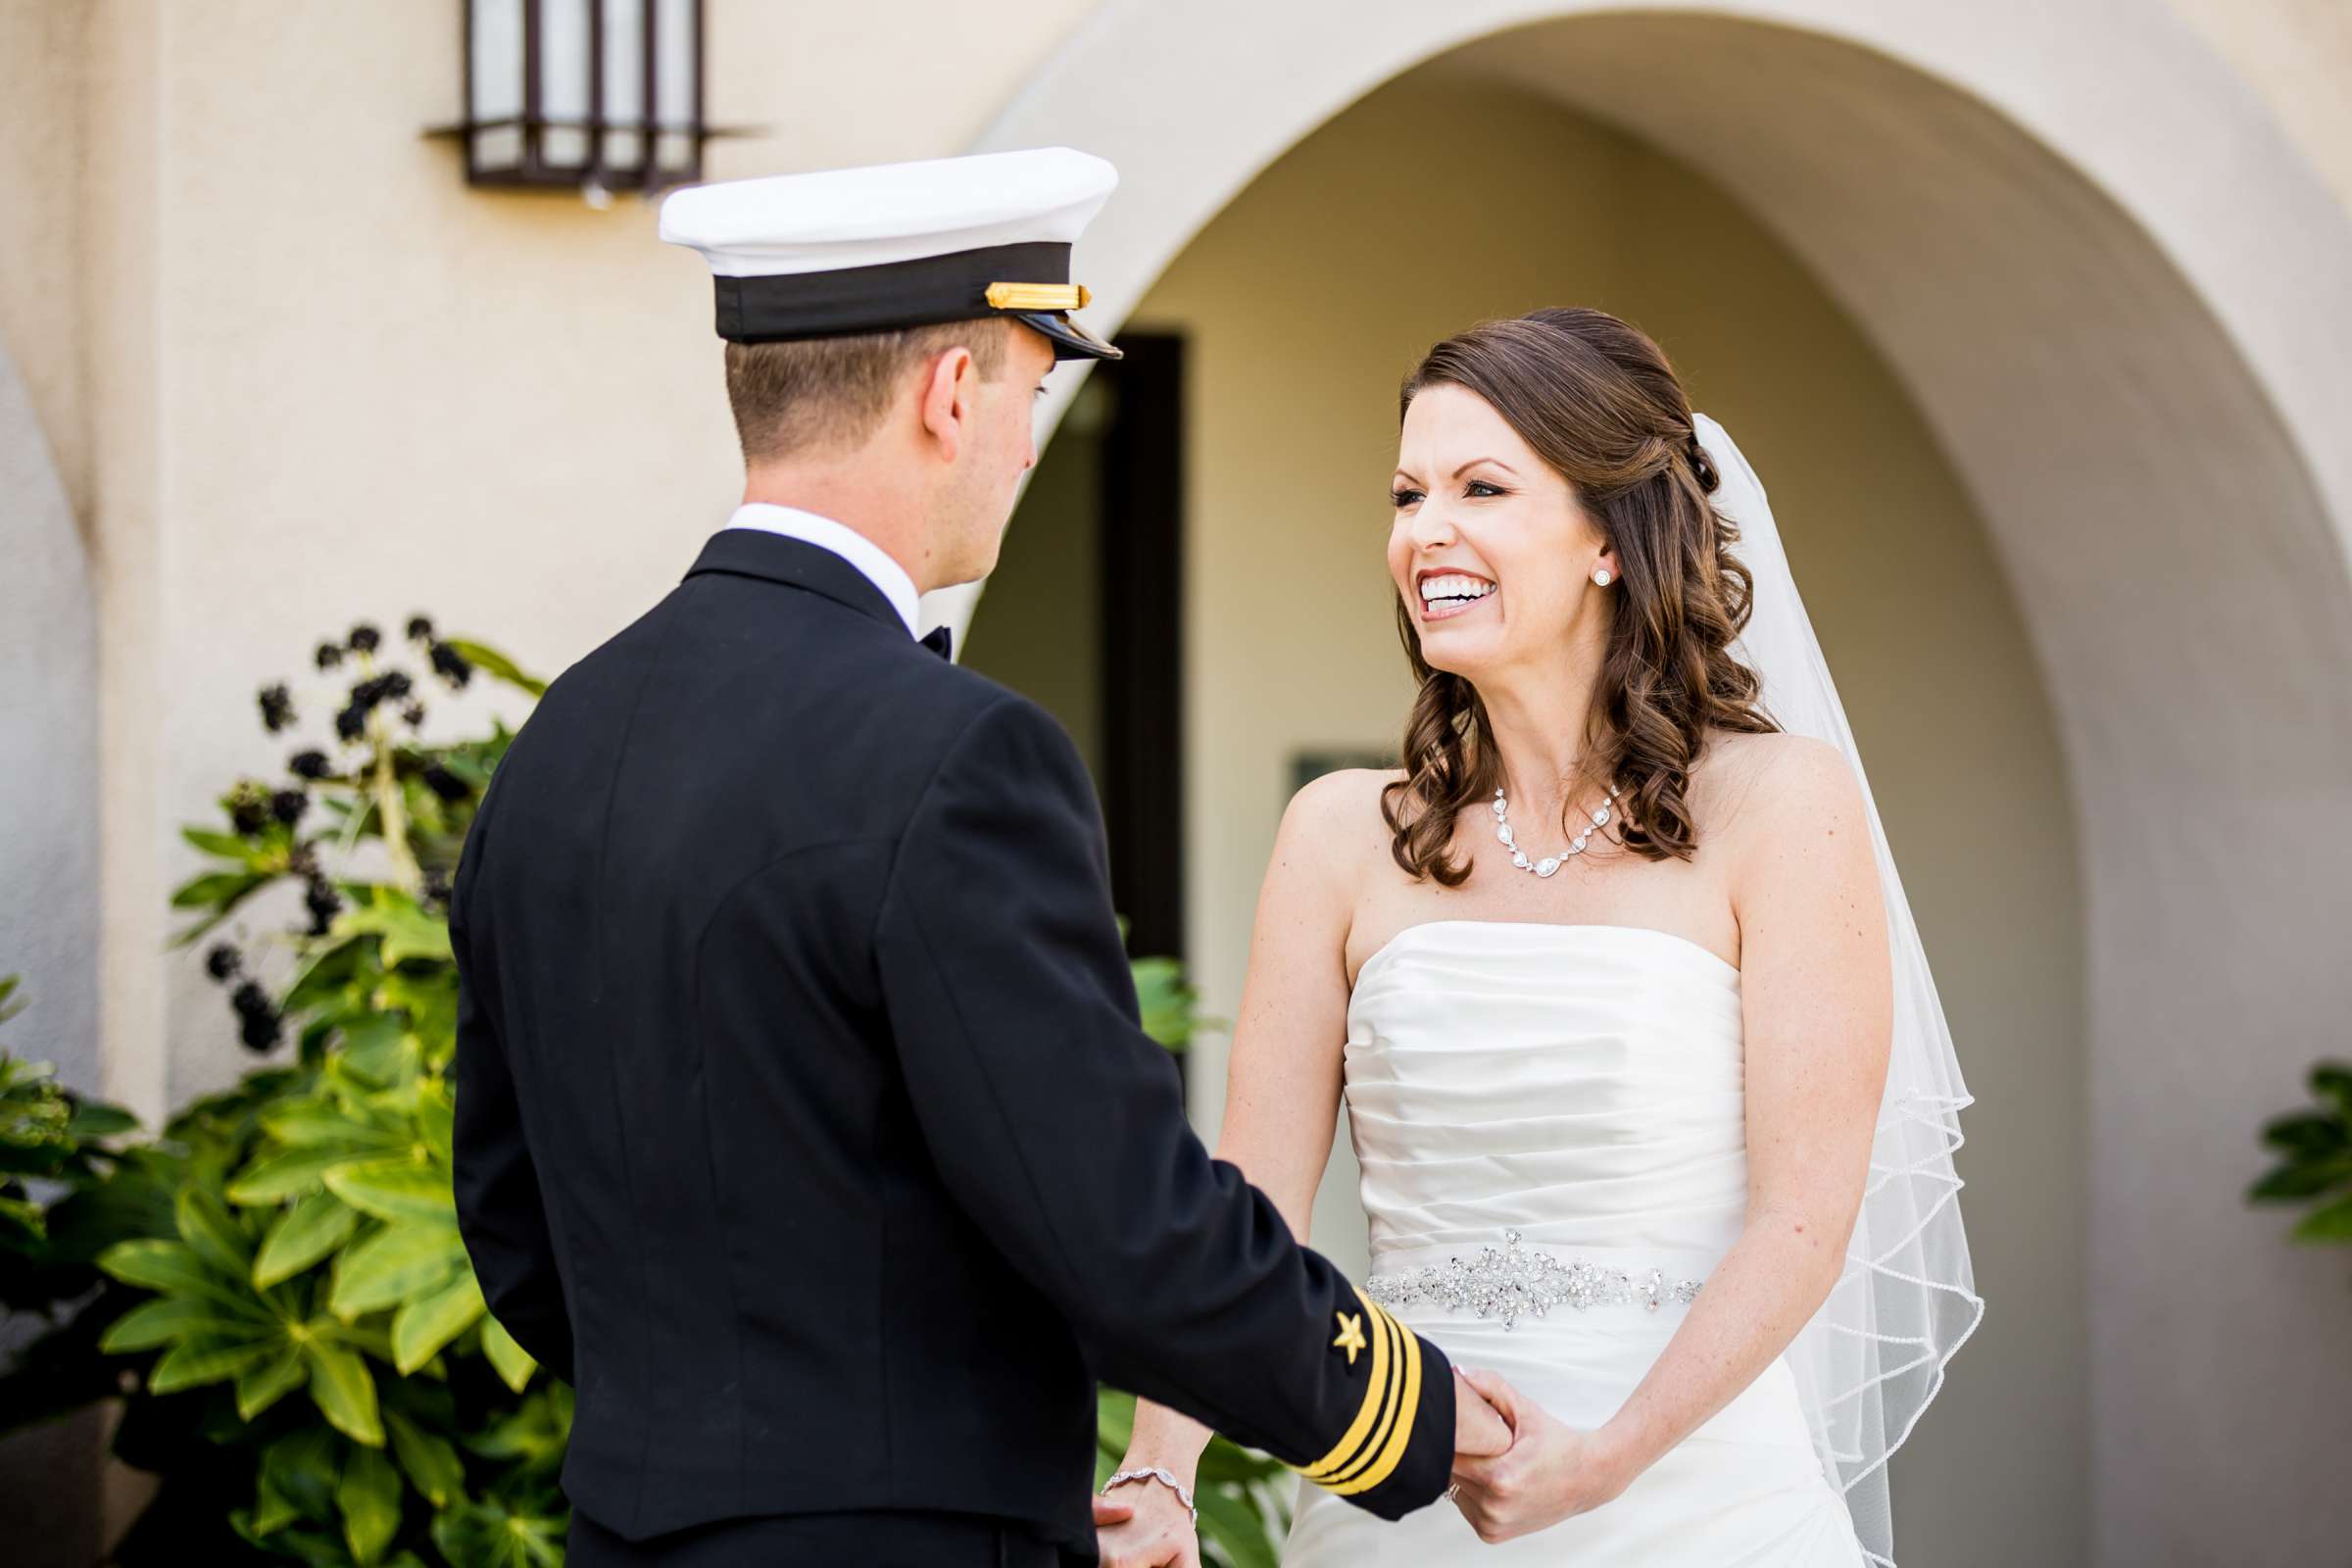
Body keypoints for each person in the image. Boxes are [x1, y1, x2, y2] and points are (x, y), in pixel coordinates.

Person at [445, 146, 1507, 1568]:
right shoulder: (962, 758)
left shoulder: (561, 742)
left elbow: (517, 1229)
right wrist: (1417, 1413)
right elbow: (1121, 1225)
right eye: (1029, 390)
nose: (1024, 443)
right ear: (953, 396)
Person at [1099, 308, 1983, 1568]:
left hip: (1697, 1501)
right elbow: (1250, 1202)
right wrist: (1162, 1468)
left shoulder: (1782, 806)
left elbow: (1803, 1219)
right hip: (1401, 1499)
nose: (1424, 531)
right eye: (1408, 493)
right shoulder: (1340, 834)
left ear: (1609, 541)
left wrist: (1605, 1460)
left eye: (1481, 487)